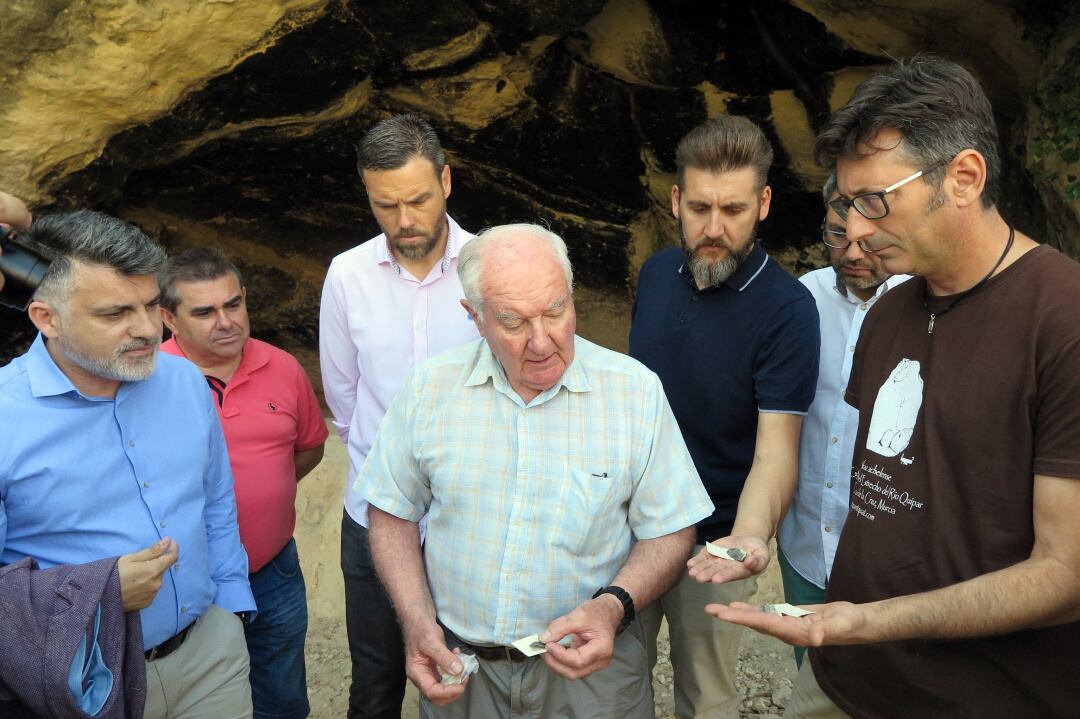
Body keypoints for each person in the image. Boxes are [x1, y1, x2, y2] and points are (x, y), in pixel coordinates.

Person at [709, 56, 1080, 719]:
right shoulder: (887, 310)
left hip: (988, 696)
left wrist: (869, 620)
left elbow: (1067, 574)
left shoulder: (1063, 320)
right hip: (842, 682)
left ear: (963, 177)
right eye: (847, 203)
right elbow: (884, 486)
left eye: (876, 200)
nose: (854, 229)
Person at [360, 223, 714, 719]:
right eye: (513, 321)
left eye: (555, 311)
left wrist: (612, 607)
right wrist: (417, 622)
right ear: (475, 317)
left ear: (572, 297)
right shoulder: (429, 390)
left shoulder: (634, 392)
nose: (542, 341)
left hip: (592, 680)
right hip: (463, 675)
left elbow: (672, 529)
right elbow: (391, 513)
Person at [0, 210, 256, 719]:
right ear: (45, 317)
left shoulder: (185, 381)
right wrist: (99, 592)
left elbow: (215, 501)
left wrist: (231, 607)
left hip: (211, 656)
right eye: (115, 313)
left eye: (151, 304)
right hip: (85, 679)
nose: (147, 330)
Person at [628, 116, 819, 718]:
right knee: (609, 685)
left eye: (733, 210)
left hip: (717, 543)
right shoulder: (656, 273)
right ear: (676, 200)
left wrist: (750, 537)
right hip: (629, 532)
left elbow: (777, 450)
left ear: (763, 204)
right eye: (701, 208)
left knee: (705, 696)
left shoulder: (789, 310)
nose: (714, 229)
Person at [319, 113, 480, 719]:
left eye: (418, 199)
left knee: (468, 677)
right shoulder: (347, 274)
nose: (405, 221)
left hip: (468, 516)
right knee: (376, 682)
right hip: (371, 513)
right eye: (386, 205)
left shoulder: (488, 265)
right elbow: (343, 393)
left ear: (446, 180)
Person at [160, 247, 328, 719]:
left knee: (282, 698)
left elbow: (310, 446)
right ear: (169, 318)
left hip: (272, 570)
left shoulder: (283, 368)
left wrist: (263, 494)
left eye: (233, 304)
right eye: (205, 312)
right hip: (186, 580)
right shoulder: (147, 380)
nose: (226, 321)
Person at [776, 175, 907, 666]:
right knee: (809, 679)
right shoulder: (801, 299)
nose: (851, 252)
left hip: (887, 556)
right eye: (836, 234)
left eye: (866, 239)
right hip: (806, 541)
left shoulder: (927, 304)